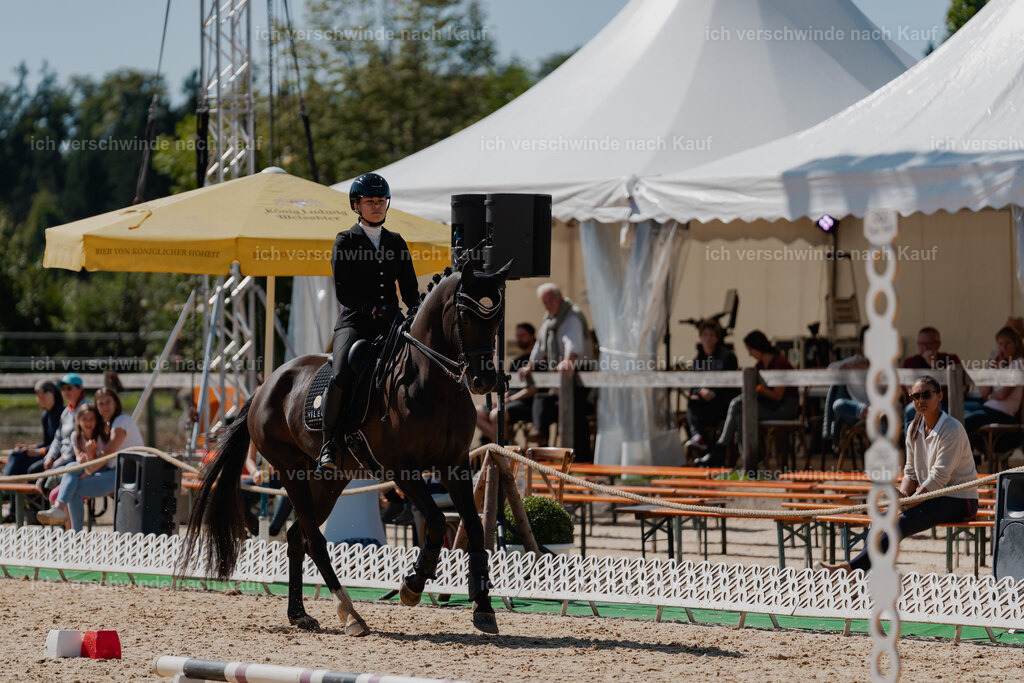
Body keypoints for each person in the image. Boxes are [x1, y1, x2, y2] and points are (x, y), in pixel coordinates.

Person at [818, 376, 979, 573]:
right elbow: (910, 471)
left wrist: (906, 504)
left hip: (960, 499)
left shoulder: (952, 429)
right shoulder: (913, 428)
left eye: (926, 394)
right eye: (915, 395)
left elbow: (939, 478)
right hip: (933, 495)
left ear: (940, 396)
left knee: (899, 523)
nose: (920, 400)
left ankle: (850, 569)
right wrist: (902, 495)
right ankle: (864, 571)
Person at [318, 172, 421, 471]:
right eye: (370, 201)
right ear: (357, 205)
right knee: (341, 374)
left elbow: (410, 289)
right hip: (355, 322)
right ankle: (329, 441)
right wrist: (374, 309)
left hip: (392, 324)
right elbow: (344, 291)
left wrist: (415, 311)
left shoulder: (397, 242)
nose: (377, 206)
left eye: (381, 201)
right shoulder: (345, 240)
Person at [697, 330, 799, 467]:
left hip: (786, 408)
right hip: (770, 406)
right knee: (740, 416)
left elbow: (777, 396)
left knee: (737, 403)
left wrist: (755, 387)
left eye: (750, 350)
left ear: (758, 347)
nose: (750, 354)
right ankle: (750, 460)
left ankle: (721, 448)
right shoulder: (760, 365)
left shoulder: (779, 362)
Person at [517, 283, 594, 460]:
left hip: (579, 373)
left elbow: (571, 342)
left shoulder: (571, 316)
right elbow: (540, 347)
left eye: (551, 299)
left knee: (574, 413)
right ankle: (542, 439)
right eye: (544, 301)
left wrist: (568, 360)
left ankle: (580, 459)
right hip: (562, 376)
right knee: (544, 401)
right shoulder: (549, 321)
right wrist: (530, 366)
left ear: (559, 298)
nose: (548, 304)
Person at [37, 403, 119, 531]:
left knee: (65, 485)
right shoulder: (76, 436)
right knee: (67, 480)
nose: (88, 423)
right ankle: (73, 532)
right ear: (78, 421)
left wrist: (91, 454)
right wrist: (82, 461)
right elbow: (80, 461)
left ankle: (62, 514)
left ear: (96, 420)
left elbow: (100, 463)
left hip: (100, 472)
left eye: (91, 419)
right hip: (83, 473)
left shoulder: (101, 436)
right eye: (85, 419)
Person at [2, 380, 64, 522]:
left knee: (26, 466)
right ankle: (11, 502)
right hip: (47, 453)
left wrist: (40, 451)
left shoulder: (61, 413)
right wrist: (30, 447)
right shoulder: (46, 415)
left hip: (56, 457)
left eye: (43, 394)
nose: (40, 398)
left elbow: (59, 444)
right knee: (17, 454)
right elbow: (47, 442)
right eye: (37, 394)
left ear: (53, 393)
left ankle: (8, 496)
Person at [683, 319, 739, 456]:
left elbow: (731, 383)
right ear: (700, 337)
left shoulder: (728, 357)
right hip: (705, 404)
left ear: (717, 337)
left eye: (711, 335)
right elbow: (694, 384)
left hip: (723, 404)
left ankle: (715, 454)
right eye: (705, 335)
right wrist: (702, 391)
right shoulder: (698, 359)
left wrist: (715, 393)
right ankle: (698, 439)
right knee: (692, 403)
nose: (708, 338)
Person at [476, 322, 538, 442]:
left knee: (496, 415)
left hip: (525, 404)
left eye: (522, 335)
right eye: (517, 336)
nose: (519, 339)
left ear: (531, 336)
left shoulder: (537, 360)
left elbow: (534, 389)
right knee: (477, 413)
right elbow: (508, 387)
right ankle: (506, 443)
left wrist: (509, 399)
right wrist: (500, 399)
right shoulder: (516, 361)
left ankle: (503, 445)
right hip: (508, 401)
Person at [34, 373, 91, 495]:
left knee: (44, 480)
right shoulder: (66, 412)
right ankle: (34, 510)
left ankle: (54, 509)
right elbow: (58, 438)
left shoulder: (87, 409)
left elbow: (79, 439)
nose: (66, 392)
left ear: (80, 389)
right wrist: (50, 456)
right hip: (64, 456)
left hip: (77, 456)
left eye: (69, 388)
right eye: (63, 389)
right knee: (35, 472)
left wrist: (60, 459)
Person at [964, 326, 1024, 436]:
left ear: (1016, 344)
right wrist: (992, 367)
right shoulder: (1002, 365)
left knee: (965, 421)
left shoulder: (1019, 363)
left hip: (1002, 413)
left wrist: (990, 396)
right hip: (988, 407)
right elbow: (983, 393)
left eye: (1007, 344)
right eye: (1000, 344)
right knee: (956, 412)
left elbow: (1003, 395)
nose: (1003, 348)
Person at [902, 326, 961, 431]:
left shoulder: (950, 359)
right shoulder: (910, 362)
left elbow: (959, 388)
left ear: (938, 344)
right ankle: (911, 446)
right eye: (921, 344)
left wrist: (933, 365)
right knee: (909, 410)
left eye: (929, 344)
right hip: (920, 401)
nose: (925, 348)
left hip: (947, 402)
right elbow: (910, 391)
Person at [821, 326, 870, 453]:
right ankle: (867, 412)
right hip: (858, 410)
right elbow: (829, 370)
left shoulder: (887, 364)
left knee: (886, 417)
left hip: (882, 410)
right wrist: (848, 366)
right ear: (862, 346)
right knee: (838, 404)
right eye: (867, 343)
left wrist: (871, 368)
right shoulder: (855, 361)